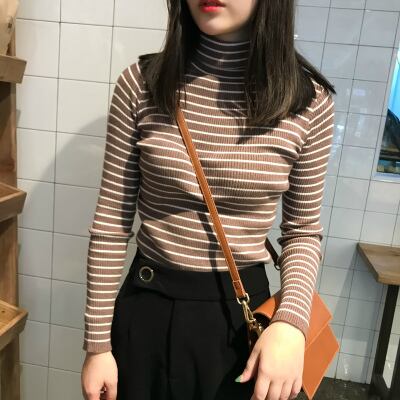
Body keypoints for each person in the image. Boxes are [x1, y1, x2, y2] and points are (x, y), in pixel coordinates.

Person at [81, 0, 336, 399]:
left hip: (240, 322)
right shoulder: (142, 84)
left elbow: (302, 231)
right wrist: (97, 346)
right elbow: (112, 221)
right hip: (147, 309)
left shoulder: (308, 102)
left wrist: (291, 323)